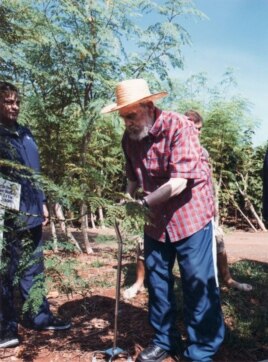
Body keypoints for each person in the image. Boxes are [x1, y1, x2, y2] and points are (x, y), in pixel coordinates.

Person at [101, 79, 225, 362]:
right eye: (123, 117)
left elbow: (180, 182)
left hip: (190, 216)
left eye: (131, 115)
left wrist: (142, 204)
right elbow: (133, 178)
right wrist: (127, 200)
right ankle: (164, 340)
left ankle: (202, 349)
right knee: (157, 282)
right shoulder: (129, 139)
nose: (127, 123)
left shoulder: (179, 126)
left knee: (197, 281)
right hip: (155, 220)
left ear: (148, 106)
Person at [0, 82, 71, 349]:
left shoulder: (25, 133)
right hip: (6, 218)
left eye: (16, 101)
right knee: (4, 272)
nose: (14, 106)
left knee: (34, 267)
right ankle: (4, 328)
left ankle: (37, 317)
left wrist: (41, 202)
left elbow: (34, 172)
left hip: (31, 212)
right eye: (8, 102)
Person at [184, 110, 252, 292]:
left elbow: (208, 182)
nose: (196, 132)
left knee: (219, 240)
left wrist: (214, 207)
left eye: (199, 129)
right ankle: (140, 282)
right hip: (183, 214)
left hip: (203, 209)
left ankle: (228, 279)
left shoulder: (203, 152)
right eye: (192, 127)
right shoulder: (174, 149)